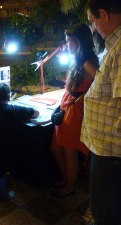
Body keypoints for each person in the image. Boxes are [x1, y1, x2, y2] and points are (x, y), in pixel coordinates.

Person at [81, 0, 121, 224]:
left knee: (107, 213)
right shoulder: (114, 45)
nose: (94, 27)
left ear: (104, 14)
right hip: (107, 150)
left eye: (93, 21)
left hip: (112, 153)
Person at [50, 23, 99, 198]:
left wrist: (81, 98)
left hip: (75, 109)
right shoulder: (78, 58)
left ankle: (70, 186)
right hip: (67, 105)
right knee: (56, 146)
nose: (66, 45)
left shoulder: (88, 61)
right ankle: (66, 178)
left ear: (78, 41)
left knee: (69, 150)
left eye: (68, 41)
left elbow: (100, 86)